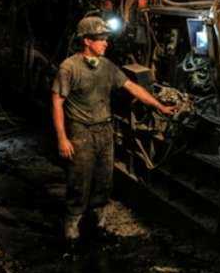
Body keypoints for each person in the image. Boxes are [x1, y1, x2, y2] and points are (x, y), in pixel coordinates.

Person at [51, 15, 174, 254]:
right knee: (79, 179)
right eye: (101, 39)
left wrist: (158, 105)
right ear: (87, 41)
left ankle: (98, 223)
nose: (106, 43)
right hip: (80, 131)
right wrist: (62, 138)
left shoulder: (107, 66)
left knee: (104, 179)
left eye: (106, 38)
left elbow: (131, 86)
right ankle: (72, 226)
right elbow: (57, 102)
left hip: (104, 130)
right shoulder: (69, 67)